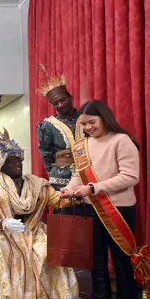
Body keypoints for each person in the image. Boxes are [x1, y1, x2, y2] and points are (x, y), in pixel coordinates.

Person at [0, 120, 79, 299]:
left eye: (18, 160)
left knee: (44, 251)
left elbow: (57, 199)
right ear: (1, 165)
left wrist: (74, 194)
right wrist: (3, 224)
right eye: (11, 161)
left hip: (34, 231)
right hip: (2, 233)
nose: (17, 164)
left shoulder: (38, 184)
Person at [61, 100, 150, 299]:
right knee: (97, 265)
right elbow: (78, 177)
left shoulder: (122, 140)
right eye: (84, 124)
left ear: (104, 117)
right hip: (92, 210)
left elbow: (130, 177)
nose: (88, 127)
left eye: (92, 122)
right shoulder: (83, 146)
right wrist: (70, 189)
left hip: (119, 210)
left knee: (122, 266)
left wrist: (93, 188)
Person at [35, 67, 84, 214]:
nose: (60, 105)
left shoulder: (86, 118)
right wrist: (56, 171)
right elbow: (45, 153)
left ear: (70, 97)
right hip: (61, 176)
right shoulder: (48, 125)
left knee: (88, 215)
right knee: (65, 214)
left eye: (63, 100)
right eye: (56, 103)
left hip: (88, 171)